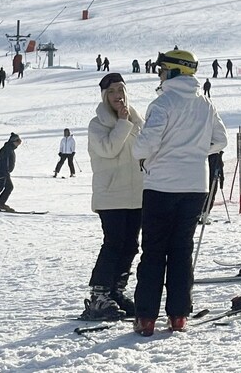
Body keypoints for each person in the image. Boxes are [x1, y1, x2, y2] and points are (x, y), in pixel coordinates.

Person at [131, 49, 227, 335]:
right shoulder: (205, 104)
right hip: (195, 185)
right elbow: (219, 140)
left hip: (161, 185)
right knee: (181, 250)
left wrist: (147, 154)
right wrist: (194, 152)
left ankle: (146, 318)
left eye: (161, 69)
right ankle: (179, 316)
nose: (159, 74)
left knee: (154, 251)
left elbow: (144, 145)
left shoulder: (163, 103)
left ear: (173, 72)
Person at [84, 71, 144, 320]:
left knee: (131, 245)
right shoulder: (97, 124)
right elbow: (109, 149)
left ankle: (116, 291)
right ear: (104, 96)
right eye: (111, 92)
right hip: (111, 194)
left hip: (137, 193)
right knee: (113, 243)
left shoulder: (137, 119)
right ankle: (99, 296)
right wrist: (122, 123)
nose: (117, 96)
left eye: (120, 90)